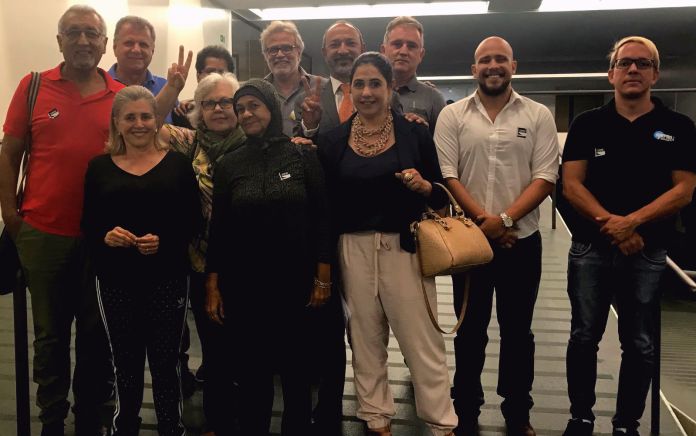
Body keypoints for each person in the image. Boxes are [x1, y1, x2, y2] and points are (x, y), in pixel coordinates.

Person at [0, 5, 189, 435]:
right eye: (73, 32)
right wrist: (11, 216)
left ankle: (92, 417)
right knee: (49, 335)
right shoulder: (33, 86)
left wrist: (173, 90)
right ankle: (51, 419)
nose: (83, 40)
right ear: (59, 40)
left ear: (104, 44)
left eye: (91, 33)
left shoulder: (119, 95)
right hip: (44, 233)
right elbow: (9, 153)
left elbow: (146, 127)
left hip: (105, 238)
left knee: (98, 333)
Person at [561, 36, 696, 436]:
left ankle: (626, 424)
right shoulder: (588, 124)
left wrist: (633, 223)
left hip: (647, 251)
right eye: (625, 63)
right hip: (590, 248)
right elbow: (572, 185)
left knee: (639, 342)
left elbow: (684, 189)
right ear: (611, 74)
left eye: (643, 63)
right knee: (583, 336)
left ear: (655, 74)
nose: (633, 69)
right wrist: (614, 225)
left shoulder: (678, 127)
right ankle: (581, 417)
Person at [318, 52, 457, 436]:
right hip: (352, 249)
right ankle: (375, 416)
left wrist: (424, 186)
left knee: (421, 340)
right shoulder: (332, 141)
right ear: (350, 89)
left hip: (405, 247)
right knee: (364, 338)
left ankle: (442, 421)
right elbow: (326, 206)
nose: (366, 92)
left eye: (375, 84)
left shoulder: (414, 133)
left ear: (390, 87)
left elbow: (440, 196)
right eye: (359, 84)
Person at [434, 36, 559, 436]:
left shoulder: (538, 115)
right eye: (485, 60)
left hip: (521, 242)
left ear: (513, 66)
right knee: (469, 331)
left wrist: (503, 220)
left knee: (518, 332)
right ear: (474, 69)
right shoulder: (452, 115)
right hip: (469, 244)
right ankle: (466, 411)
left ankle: (517, 412)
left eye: (500, 59)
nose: (493, 65)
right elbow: (448, 175)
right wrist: (485, 224)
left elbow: (545, 177)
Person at [205, 78, 332, 436]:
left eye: (253, 106)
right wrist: (212, 286)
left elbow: (323, 219)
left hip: (296, 284)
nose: (246, 114)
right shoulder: (229, 164)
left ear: (271, 109)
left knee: (297, 374)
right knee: (252, 376)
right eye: (240, 108)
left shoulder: (302, 155)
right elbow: (220, 229)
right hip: (245, 287)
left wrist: (323, 277)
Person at [81, 85, 200, 436]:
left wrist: (165, 241)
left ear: (156, 120)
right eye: (130, 117)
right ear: (116, 123)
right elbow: (89, 223)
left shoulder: (178, 166)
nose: (139, 124)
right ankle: (125, 426)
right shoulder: (98, 168)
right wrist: (106, 236)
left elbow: (192, 221)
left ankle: (170, 426)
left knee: (166, 361)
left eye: (146, 116)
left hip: (167, 278)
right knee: (125, 360)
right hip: (115, 280)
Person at [159, 71, 247, 435]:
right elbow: (149, 126)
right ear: (199, 109)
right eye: (210, 103)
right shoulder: (190, 142)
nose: (219, 109)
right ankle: (219, 421)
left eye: (226, 101)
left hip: (248, 264)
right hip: (202, 262)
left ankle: (249, 420)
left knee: (248, 347)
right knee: (214, 349)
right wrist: (171, 90)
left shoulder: (255, 141)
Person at [260, 20, 326, 137]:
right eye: (273, 50)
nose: (280, 55)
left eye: (287, 48)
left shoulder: (323, 88)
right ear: (266, 55)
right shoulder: (258, 92)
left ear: (299, 52)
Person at [380, 16, 445, 132]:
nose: (403, 52)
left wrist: (422, 134)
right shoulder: (368, 93)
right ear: (383, 50)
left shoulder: (434, 98)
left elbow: (441, 142)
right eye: (397, 44)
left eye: (411, 46)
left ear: (421, 55)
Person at [108, 15, 175, 123]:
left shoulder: (165, 87)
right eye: (129, 43)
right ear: (115, 48)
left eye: (143, 44)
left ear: (152, 51)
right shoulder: (100, 87)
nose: (136, 50)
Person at [171, 45, 236, 129]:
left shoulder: (241, 110)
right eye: (210, 72)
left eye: (221, 72)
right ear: (198, 76)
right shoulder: (182, 113)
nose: (215, 77)